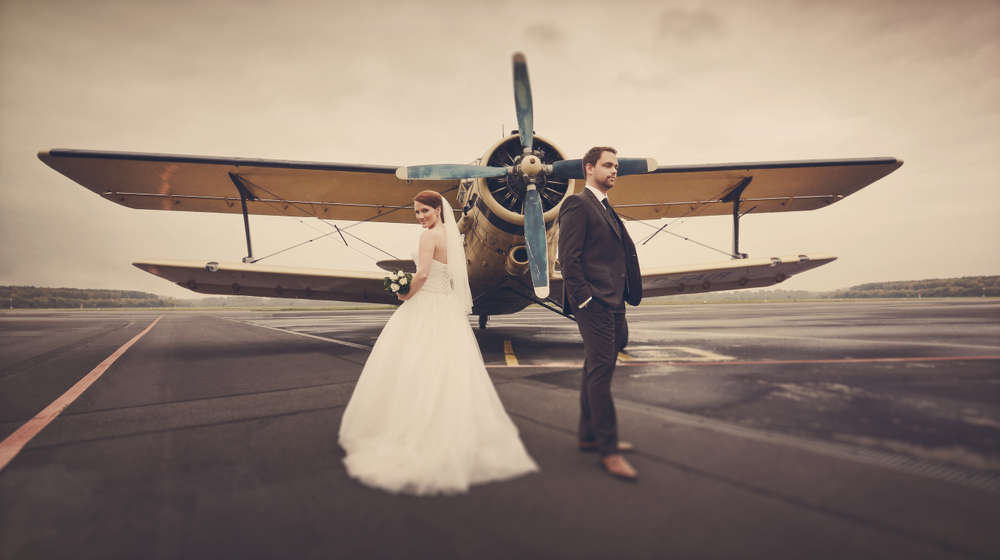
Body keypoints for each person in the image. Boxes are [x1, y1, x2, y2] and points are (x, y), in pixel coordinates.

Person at [338, 190, 538, 495]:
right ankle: (451, 433)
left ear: (437, 210)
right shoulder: (450, 235)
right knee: (447, 367)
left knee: (412, 364)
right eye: (416, 212)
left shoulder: (429, 237)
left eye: (424, 212)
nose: (420, 217)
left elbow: (422, 276)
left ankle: (412, 432)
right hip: (446, 306)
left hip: (426, 302)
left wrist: (404, 293)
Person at [557, 146, 642, 481]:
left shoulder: (605, 207)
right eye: (608, 165)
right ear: (588, 168)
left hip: (614, 300)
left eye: (617, 166)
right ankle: (609, 451)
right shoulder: (578, 204)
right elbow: (569, 259)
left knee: (594, 366)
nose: (614, 171)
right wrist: (584, 301)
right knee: (601, 373)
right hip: (595, 304)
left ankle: (588, 435)